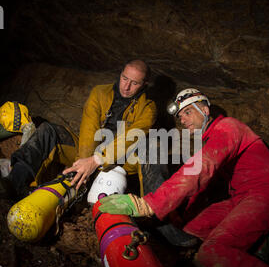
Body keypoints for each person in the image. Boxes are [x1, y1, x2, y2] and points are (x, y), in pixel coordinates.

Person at [98, 87, 269, 267]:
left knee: (212, 251)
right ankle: (258, 244)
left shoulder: (228, 127)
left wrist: (149, 204)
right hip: (240, 198)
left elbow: (200, 171)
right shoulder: (212, 136)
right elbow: (202, 184)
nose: (183, 120)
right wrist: (181, 211)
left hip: (264, 195)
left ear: (205, 109)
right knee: (190, 228)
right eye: (180, 117)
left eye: (188, 113)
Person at [0, 59, 157, 200]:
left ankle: (149, 209)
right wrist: (83, 165)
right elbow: (89, 129)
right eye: (124, 78)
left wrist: (96, 161)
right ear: (120, 74)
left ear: (144, 85)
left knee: (149, 150)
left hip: (119, 163)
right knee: (48, 131)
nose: (127, 86)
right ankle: (14, 183)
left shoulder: (148, 108)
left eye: (134, 83)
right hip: (88, 156)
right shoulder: (100, 92)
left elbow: (131, 138)